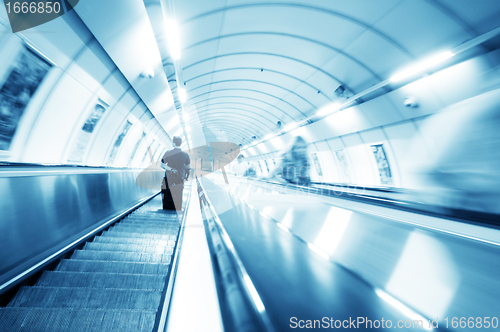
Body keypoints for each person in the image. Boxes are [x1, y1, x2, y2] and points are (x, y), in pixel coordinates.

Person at [161, 136, 190, 210]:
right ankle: (177, 208)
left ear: (173, 143)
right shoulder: (185, 155)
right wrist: (185, 176)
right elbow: (187, 167)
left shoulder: (168, 153)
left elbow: (162, 165)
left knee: (168, 193)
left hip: (169, 177)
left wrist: (171, 169)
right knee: (178, 194)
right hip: (180, 178)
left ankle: (167, 208)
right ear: (180, 144)